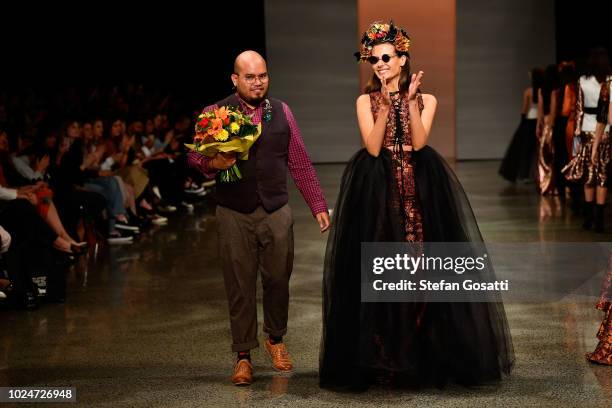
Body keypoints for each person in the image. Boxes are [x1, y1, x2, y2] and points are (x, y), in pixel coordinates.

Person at [319, 21, 514, 390]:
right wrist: (387, 103)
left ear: (403, 58)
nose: (379, 64)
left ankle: (422, 352)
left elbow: (420, 143)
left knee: (423, 268)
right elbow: (373, 147)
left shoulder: (428, 99)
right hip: (378, 190)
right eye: (373, 59)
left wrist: (407, 102)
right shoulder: (364, 100)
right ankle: (386, 355)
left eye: (386, 57)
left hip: (420, 188)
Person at [188, 50, 330, 386]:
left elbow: (299, 160)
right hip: (234, 211)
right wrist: (212, 165)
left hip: (276, 208)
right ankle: (242, 355)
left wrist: (318, 204)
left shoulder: (281, 111)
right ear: (235, 79)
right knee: (239, 285)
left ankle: (276, 339)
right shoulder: (215, 113)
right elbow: (195, 157)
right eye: (250, 77)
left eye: (262, 75)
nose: (258, 82)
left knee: (279, 279)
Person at [562, 48, 612, 232]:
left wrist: (576, 132)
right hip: (606, 130)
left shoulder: (582, 81)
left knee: (589, 173)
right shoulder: (609, 82)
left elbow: (579, 108)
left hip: (586, 130)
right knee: (603, 173)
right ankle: (599, 218)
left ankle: (589, 216)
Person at [499, 67, 543, 183]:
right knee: (537, 150)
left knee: (525, 149)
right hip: (539, 121)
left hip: (529, 122)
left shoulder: (528, 91)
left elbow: (524, 108)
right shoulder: (542, 91)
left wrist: (522, 120)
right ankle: (537, 174)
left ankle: (525, 175)